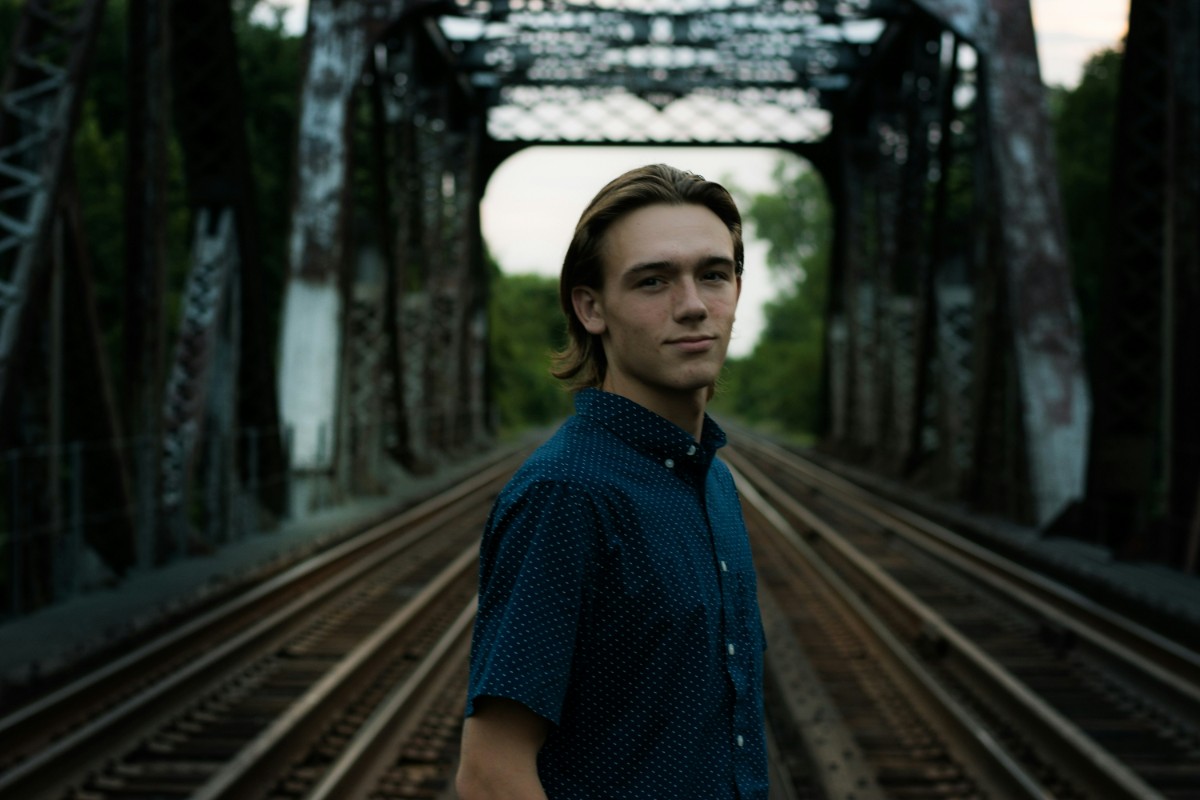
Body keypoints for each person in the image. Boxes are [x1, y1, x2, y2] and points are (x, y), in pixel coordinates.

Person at [456, 164, 768, 799]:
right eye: (653, 282)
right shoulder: (568, 493)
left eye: (713, 274)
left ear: (737, 287)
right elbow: (490, 774)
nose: (692, 306)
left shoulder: (712, 482)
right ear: (591, 307)